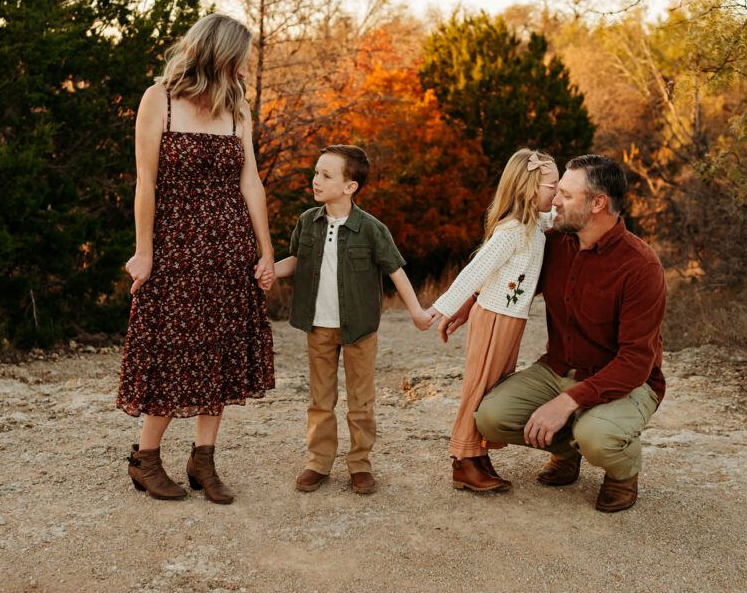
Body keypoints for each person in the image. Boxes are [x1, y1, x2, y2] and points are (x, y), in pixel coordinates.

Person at [440, 155, 666, 512]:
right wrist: (474, 298)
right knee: (491, 417)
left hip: (624, 381)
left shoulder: (641, 266)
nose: (555, 202)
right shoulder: (552, 244)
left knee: (597, 437)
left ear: (597, 204)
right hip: (557, 368)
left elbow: (636, 362)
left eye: (565, 195)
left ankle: (622, 472)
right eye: (555, 191)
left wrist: (566, 403)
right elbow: (512, 274)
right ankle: (566, 451)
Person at [116, 13, 276, 504]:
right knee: (171, 351)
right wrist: (144, 252)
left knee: (220, 351)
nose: (245, 72)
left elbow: (250, 181)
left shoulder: (237, 107)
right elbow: (146, 182)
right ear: (217, 56)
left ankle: (202, 460)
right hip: (175, 248)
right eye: (239, 63)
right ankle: (145, 460)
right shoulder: (157, 98)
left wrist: (266, 250)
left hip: (230, 250)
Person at [274, 145, 436, 495]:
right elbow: (297, 261)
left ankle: (360, 464)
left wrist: (417, 312)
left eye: (326, 175)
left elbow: (396, 271)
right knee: (320, 398)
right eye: (316, 172)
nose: (316, 180)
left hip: (360, 329)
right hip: (318, 325)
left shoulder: (372, 229)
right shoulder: (307, 222)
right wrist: (269, 272)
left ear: (350, 187)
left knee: (361, 401)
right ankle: (318, 462)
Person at [428, 149, 558, 492]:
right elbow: (477, 271)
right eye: (552, 186)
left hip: (512, 320)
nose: (557, 194)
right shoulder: (512, 231)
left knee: (494, 388)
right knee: (479, 388)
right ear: (530, 189)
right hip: (495, 319)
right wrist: (444, 307)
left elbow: (559, 216)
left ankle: (479, 453)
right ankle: (463, 460)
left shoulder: (536, 225)